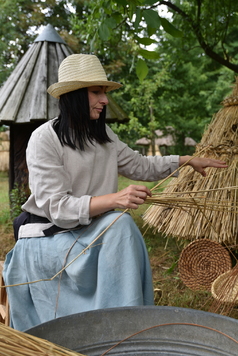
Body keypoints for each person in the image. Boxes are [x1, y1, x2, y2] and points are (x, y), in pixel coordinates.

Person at [3, 54, 228, 331]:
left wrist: (185, 160)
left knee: (118, 225)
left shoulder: (103, 136)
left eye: (105, 92)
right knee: (119, 223)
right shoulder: (44, 138)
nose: (105, 100)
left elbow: (140, 165)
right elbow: (57, 208)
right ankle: (122, 328)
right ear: (74, 95)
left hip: (89, 231)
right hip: (48, 235)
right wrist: (115, 199)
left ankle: (127, 325)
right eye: (97, 92)